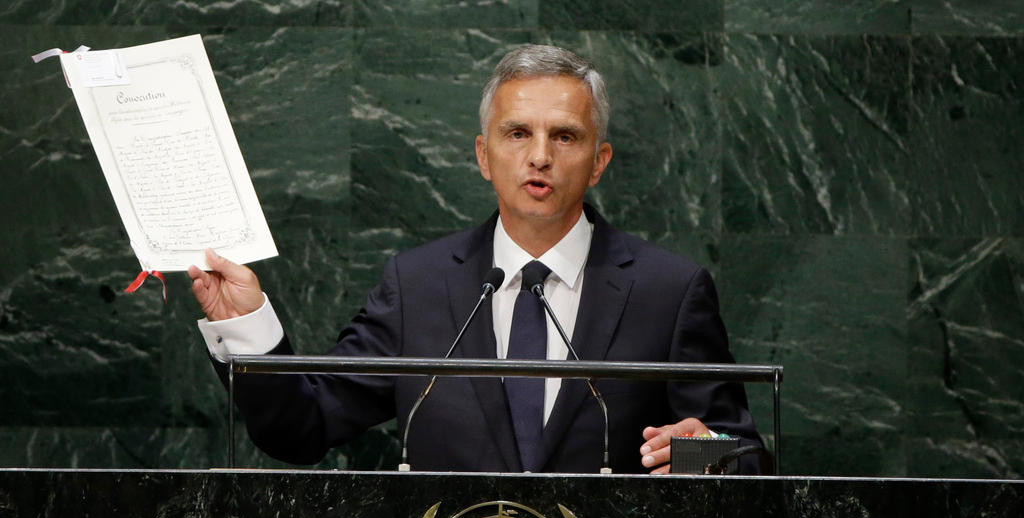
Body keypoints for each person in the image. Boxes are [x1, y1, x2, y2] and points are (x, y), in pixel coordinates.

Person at [189, 44, 765, 474]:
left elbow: (747, 459)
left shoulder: (670, 291)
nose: (539, 156)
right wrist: (244, 322)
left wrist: (704, 457)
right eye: (517, 134)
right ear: (484, 156)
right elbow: (302, 427)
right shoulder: (417, 286)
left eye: (564, 137)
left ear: (598, 162)